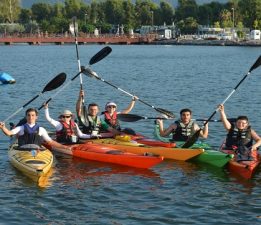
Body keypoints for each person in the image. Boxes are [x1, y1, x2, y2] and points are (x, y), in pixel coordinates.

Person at [0, 108, 71, 151]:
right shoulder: (21, 128)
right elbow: (8, 133)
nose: (30, 117)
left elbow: (51, 142)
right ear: (26, 117)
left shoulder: (41, 129)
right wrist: (3, 127)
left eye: (33, 115)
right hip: (22, 150)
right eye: (28, 115)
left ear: (36, 117)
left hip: (37, 151)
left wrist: (64, 147)